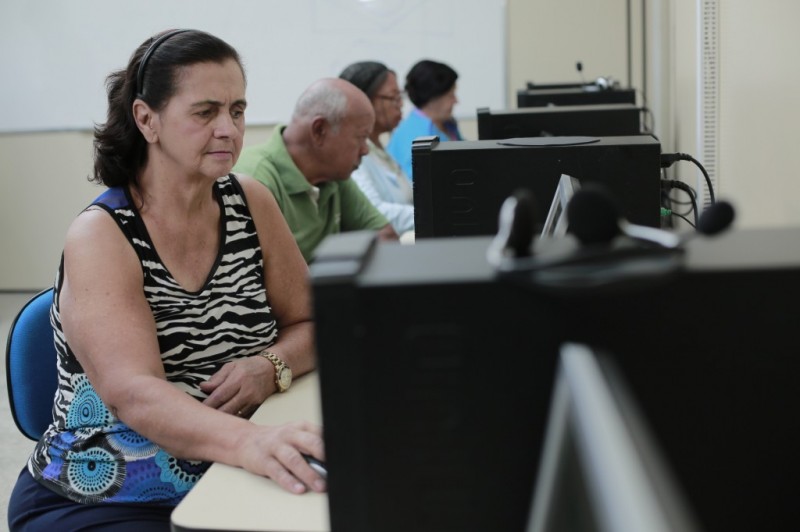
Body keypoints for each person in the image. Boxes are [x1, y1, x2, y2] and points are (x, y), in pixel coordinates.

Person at [7, 29, 325, 532]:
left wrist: (271, 365)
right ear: (146, 119)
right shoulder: (102, 234)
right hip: (111, 496)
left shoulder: (250, 203)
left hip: (227, 468)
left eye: (237, 111)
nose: (228, 129)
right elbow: (134, 393)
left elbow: (311, 320)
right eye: (205, 112)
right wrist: (250, 442)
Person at [233, 78, 398, 263]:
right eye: (360, 138)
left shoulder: (333, 174)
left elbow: (385, 236)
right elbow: (266, 283)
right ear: (319, 130)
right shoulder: (256, 181)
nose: (365, 150)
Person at [339, 61, 415, 236]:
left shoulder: (380, 147)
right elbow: (373, 212)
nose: (400, 104)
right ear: (364, 101)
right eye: (393, 97)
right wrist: (429, 216)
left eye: (400, 97)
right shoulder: (352, 154)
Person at [386, 59, 463, 180]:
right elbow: (420, 186)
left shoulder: (447, 124)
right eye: (450, 95)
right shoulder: (415, 137)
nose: (456, 101)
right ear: (432, 97)